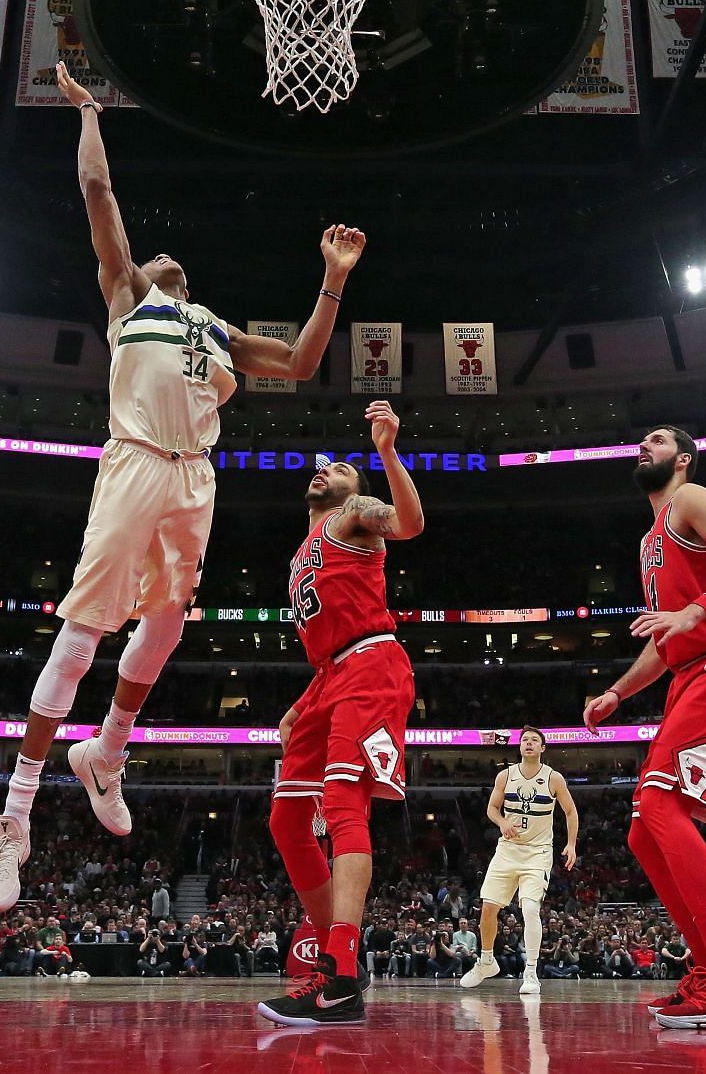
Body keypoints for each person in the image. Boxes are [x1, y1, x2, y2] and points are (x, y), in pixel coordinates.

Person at [0, 64, 367, 909]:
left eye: (166, 259)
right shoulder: (128, 295)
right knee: (82, 639)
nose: (161, 257)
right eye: (152, 257)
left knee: (164, 628)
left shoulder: (217, 330)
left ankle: (107, 752)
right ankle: (14, 822)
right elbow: (97, 192)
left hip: (196, 477)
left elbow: (300, 361)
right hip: (137, 458)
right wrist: (86, 110)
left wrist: (332, 278)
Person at [582, 425, 706, 1030]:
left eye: (658, 440)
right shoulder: (648, 541)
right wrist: (617, 691)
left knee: (659, 805)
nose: (643, 445)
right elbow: (664, 644)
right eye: (639, 441)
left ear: (683, 458)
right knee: (644, 834)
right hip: (689, 676)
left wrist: (695, 608)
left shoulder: (692, 499)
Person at [256, 402, 423, 1025]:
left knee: (345, 806)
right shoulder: (303, 548)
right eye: (326, 467)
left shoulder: (355, 516)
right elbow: (326, 643)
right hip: (330, 676)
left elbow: (409, 522)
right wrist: (301, 704)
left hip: (373, 665)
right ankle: (335, 958)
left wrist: (383, 451)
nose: (328, 470)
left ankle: (341, 974)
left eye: (343, 468)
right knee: (286, 820)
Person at [460, 725, 579, 994]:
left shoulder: (554, 778)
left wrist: (571, 844)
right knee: (488, 908)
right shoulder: (505, 775)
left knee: (529, 909)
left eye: (534, 740)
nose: (528, 743)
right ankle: (487, 961)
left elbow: (570, 812)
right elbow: (491, 808)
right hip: (507, 850)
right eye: (525, 740)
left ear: (542, 748)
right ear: (519, 746)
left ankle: (531, 973)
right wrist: (502, 822)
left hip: (538, 852)